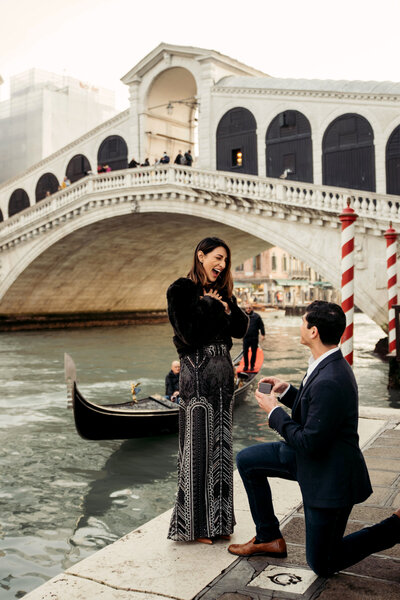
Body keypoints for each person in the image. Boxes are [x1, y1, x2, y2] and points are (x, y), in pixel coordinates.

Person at [228, 301, 400, 576]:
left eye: (303, 322)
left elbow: (309, 440)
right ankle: (268, 537)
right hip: (312, 455)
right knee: (247, 461)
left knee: (323, 563)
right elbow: (317, 412)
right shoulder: (325, 363)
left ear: (314, 332)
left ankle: (394, 527)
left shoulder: (330, 378)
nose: (300, 325)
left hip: (328, 471)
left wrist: (273, 411)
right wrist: (286, 393)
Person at [167, 237, 249, 544]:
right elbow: (188, 333)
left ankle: (220, 521)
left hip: (223, 376)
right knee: (197, 448)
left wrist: (228, 308)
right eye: (217, 257)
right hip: (196, 375)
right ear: (200, 256)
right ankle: (195, 525)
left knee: (222, 450)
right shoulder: (181, 290)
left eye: (226, 260)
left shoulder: (224, 291)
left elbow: (241, 329)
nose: (222, 265)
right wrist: (213, 306)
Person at [242, 302, 265, 371]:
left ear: (252, 308)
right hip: (246, 337)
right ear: (245, 309)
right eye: (247, 308)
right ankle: (246, 366)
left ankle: (252, 366)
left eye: (249, 308)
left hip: (254, 337)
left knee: (254, 352)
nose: (248, 309)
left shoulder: (257, 316)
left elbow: (261, 326)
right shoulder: (243, 316)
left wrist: (263, 334)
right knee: (245, 352)